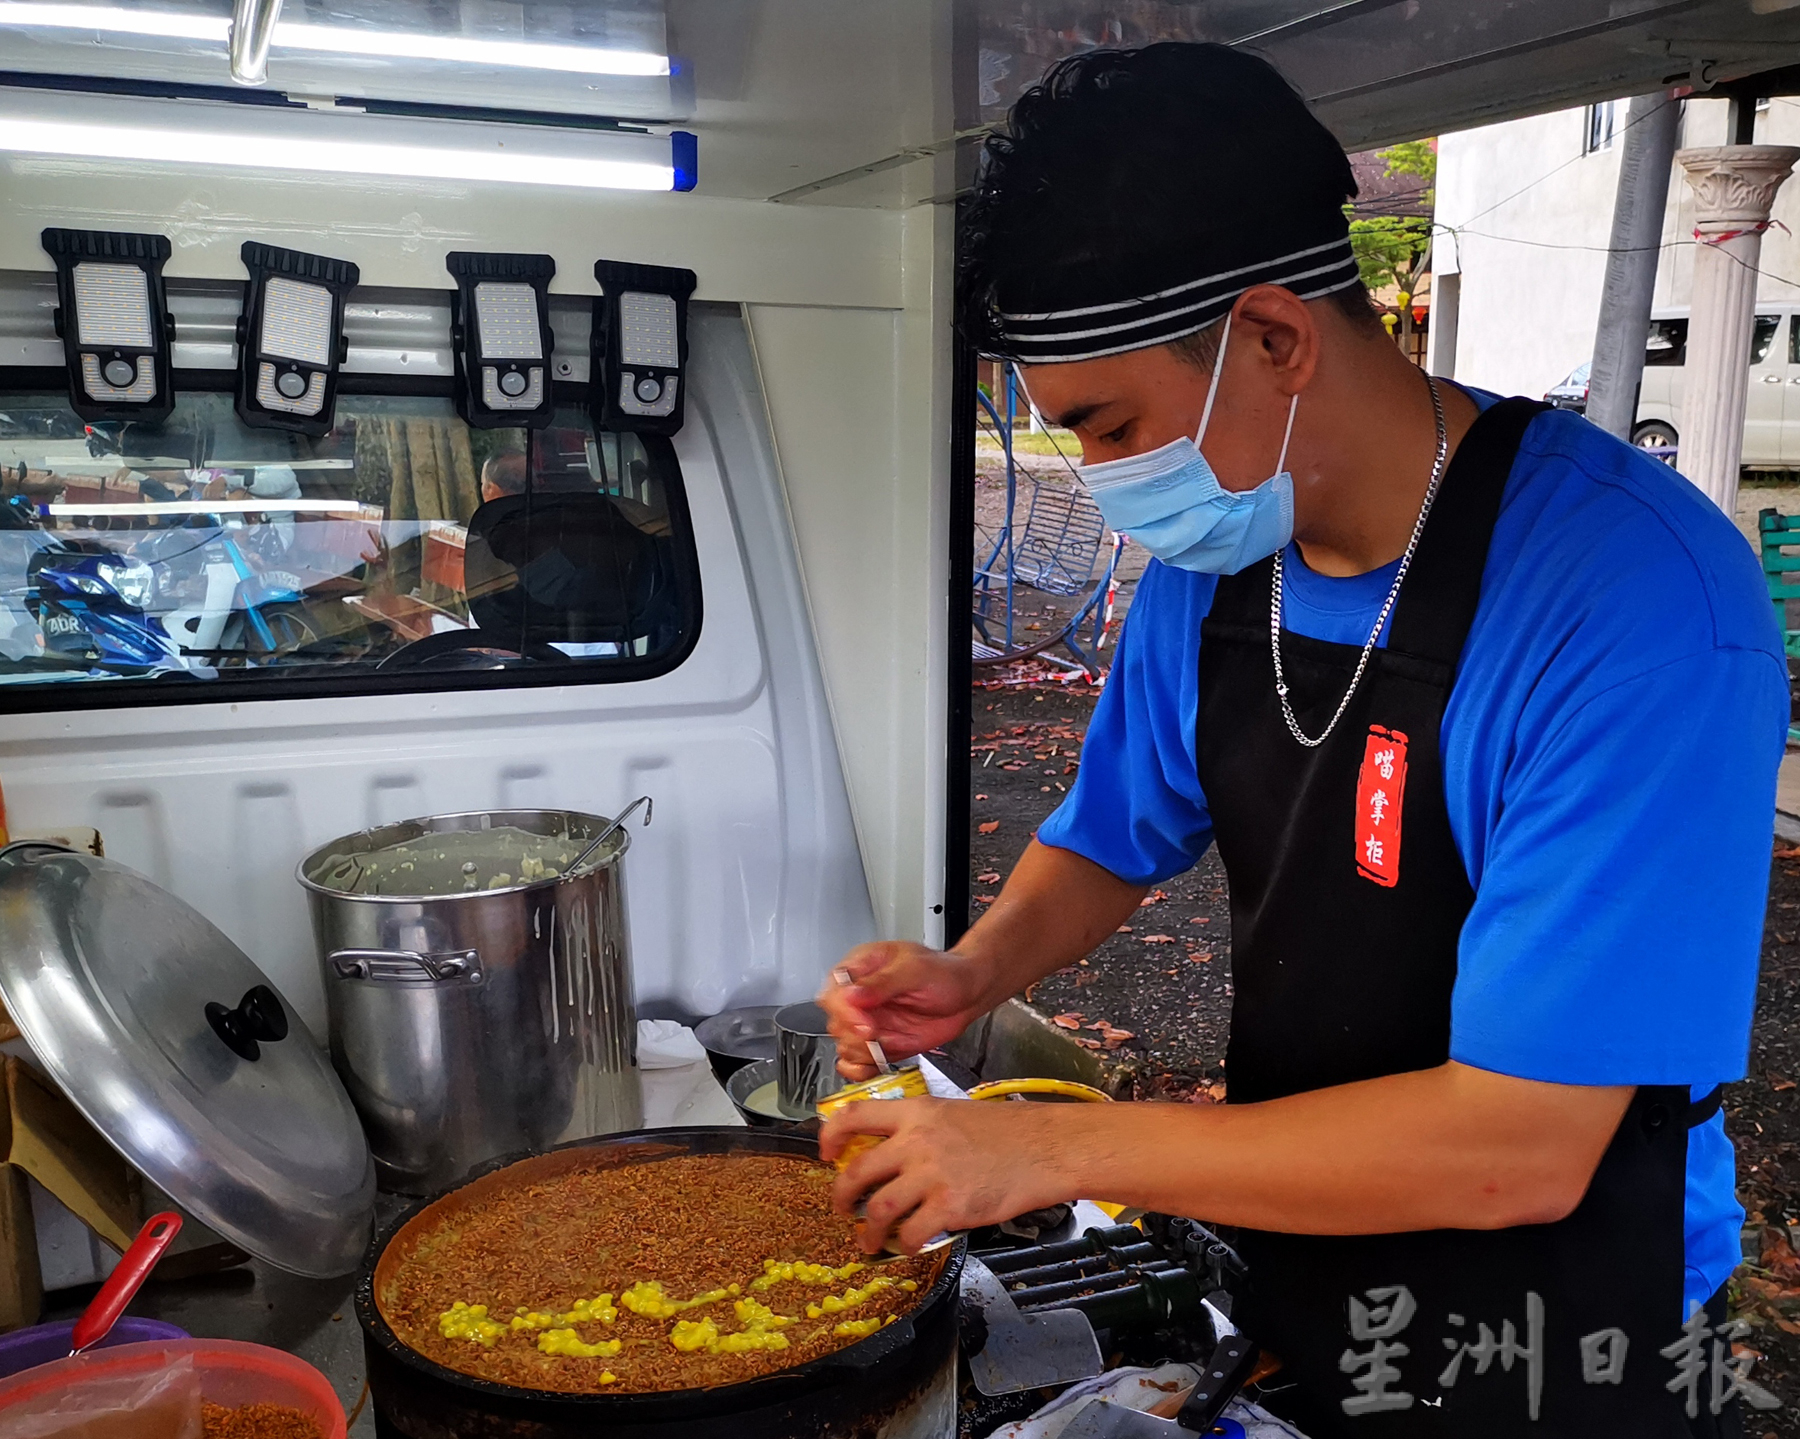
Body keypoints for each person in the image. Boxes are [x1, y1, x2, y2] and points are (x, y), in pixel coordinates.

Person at [816, 43, 1786, 1437]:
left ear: (1275, 340)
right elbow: (1110, 830)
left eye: (1114, 425)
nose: (1102, 483)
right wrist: (972, 972)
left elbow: (1520, 1150)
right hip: (1299, 1232)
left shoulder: (1635, 602)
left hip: (1560, 1310)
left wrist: (1049, 1143)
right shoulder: (1227, 560)